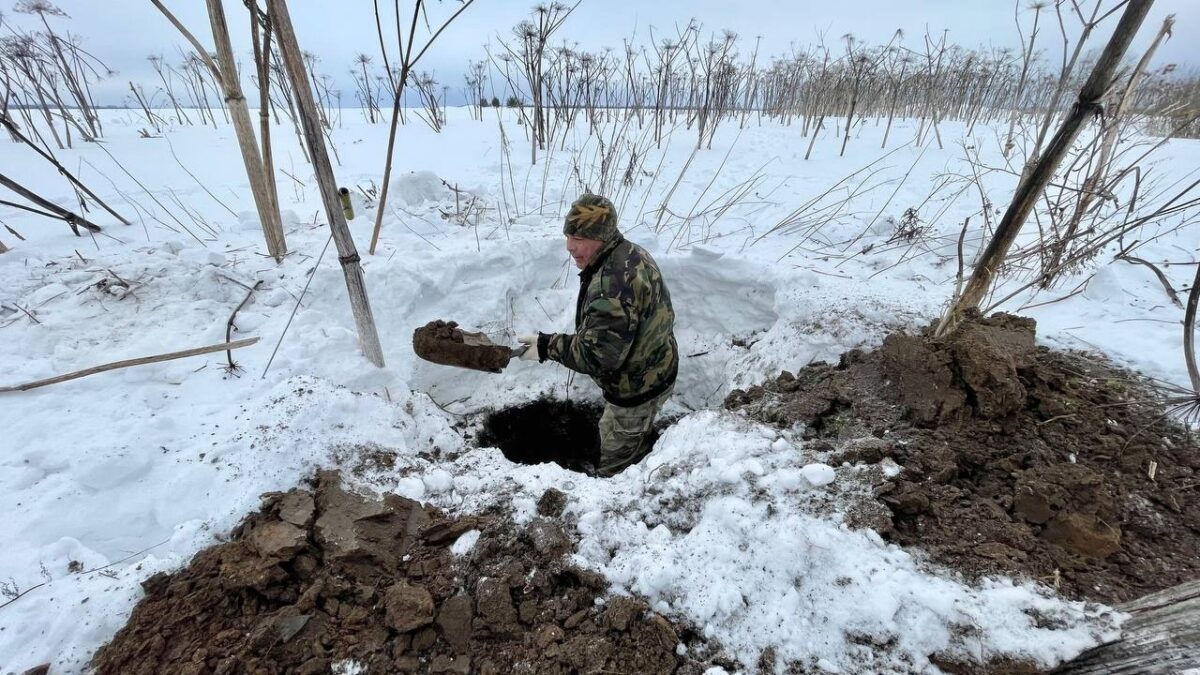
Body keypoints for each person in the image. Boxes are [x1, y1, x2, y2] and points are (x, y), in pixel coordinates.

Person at [518, 194, 678, 477]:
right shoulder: (630, 253)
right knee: (628, 433)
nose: (570, 247)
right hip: (658, 365)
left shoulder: (611, 288)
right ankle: (639, 444)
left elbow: (598, 357)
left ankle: (624, 479)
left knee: (614, 465)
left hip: (637, 391)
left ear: (601, 237)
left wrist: (546, 346)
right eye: (569, 236)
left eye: (579, 239)